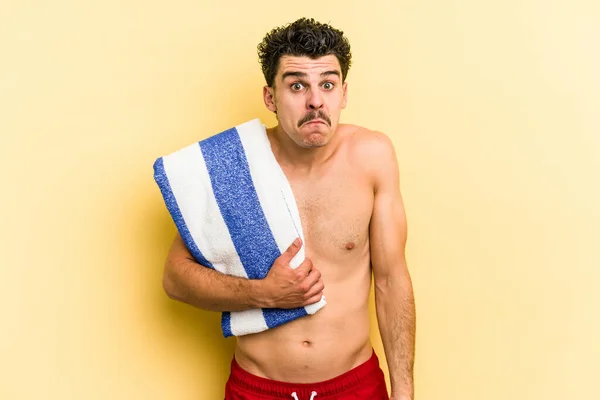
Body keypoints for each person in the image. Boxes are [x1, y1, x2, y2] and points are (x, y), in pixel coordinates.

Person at [162, 17, 416, 400]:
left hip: (354, 386)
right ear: (270, 98)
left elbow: (391, 280)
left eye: (327, 84)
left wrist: (404, 392)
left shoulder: (372, 158)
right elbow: (175, 279)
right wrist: (264, 294)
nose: (315, 100)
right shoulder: (235, 167)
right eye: (297, 85)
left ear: (343, 93)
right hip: (258, 387)